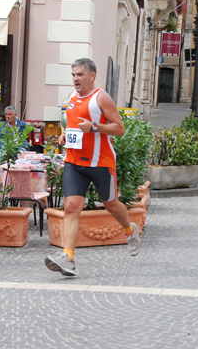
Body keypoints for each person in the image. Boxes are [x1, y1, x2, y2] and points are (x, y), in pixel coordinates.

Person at [44, 58, 140, 277]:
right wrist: (62, 137)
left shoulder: (101, 98)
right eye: (73, 75)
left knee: (111, 204)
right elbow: (72, 127)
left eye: (80, 75)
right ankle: (68, 258)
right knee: (71, 207)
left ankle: (129, 230)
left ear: (92, 75)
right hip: (74, 162)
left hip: (100, 163)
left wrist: (94, 127)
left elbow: (119, 128)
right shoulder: (70, 98)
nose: (76, 79)